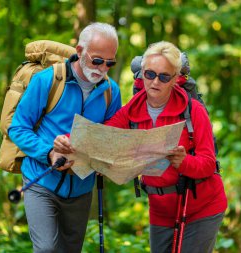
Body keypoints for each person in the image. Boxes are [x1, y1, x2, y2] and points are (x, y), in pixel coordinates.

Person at [53, 41, 227, 253]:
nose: (155, 82)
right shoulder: (131, 112)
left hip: (201, 206)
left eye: (164, 76)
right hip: (160, 208)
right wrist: (68, 140)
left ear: (174, 79)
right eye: (150, 74)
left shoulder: (193, 111)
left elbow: (209, 164)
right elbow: (101, 137)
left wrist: (185, 162)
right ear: (142, 74)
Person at [8, 22, 121, 253]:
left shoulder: (112, 91)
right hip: (41, 180)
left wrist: (105, 158)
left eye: (110, 63)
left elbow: (112, 135)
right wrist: (49, 152)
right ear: (79, 52)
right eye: (97, 60)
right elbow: (17, 128)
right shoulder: (47, 81)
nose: (102, 68)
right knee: (47, 249)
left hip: (81, 188)